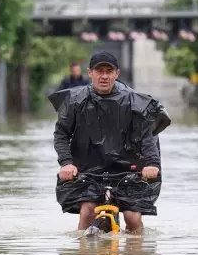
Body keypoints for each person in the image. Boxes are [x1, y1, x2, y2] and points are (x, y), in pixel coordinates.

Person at [48, 50, 171, 233]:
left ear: (117, 74)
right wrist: (66, 163)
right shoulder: (74, 101)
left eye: (109, 71)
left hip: (127, 170)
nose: (104, 76)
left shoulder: (134, 102)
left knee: (133, 217)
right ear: (90, 73)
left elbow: (147, 137)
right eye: (99, 71)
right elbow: (61, 135)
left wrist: (152, 164)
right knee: (87, 212)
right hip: (88, 171)